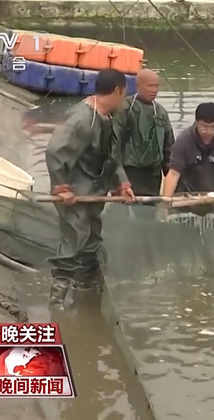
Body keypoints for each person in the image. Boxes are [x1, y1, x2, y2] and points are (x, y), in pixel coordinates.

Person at [45, 68, 135, 307]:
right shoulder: (82, 118)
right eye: (125, 94)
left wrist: (121, 184)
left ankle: (85, 294)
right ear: (117, 90)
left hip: (95, 193)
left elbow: (111, 157)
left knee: (92, 240)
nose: (125, 99)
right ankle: (56, 303)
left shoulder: (108, 117)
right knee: (74, 240)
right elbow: (55, 150)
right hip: (74, 194)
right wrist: (61, 187)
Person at [161, 102, 214, 212]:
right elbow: (173, 174)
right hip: (187, 200)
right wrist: (165, 206)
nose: (208, 131)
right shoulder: (184, 139)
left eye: (213, 126)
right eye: (204, 126)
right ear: (196, 122)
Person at [114, 69, 175, 197]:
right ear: (138, 86)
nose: (154, 90)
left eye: (156, 86)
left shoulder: (160, 112)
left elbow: (169, 146)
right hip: (129, 171)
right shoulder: (124, 108)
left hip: (153, 173)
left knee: (150, 207)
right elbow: (114, 144)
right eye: (150, 86)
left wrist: (170, 174)